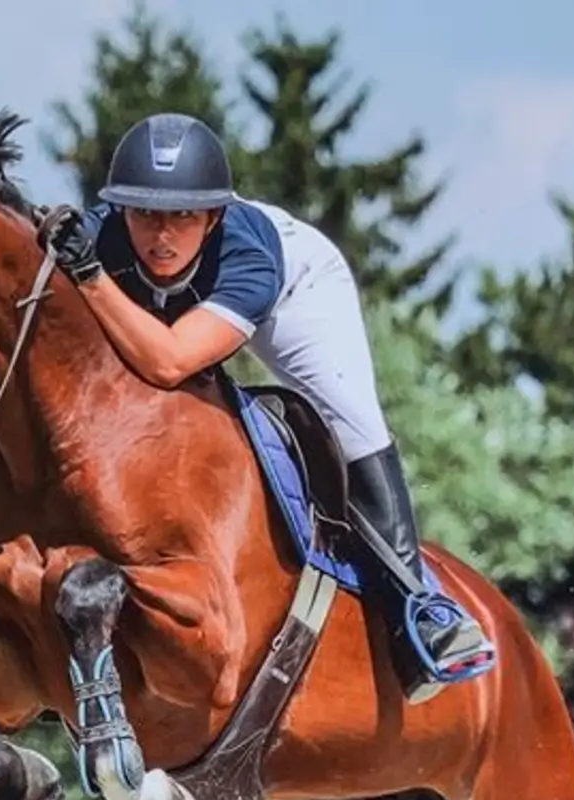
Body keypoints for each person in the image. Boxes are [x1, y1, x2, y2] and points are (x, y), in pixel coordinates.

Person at [41, 111, 493, 700]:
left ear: (214, 216)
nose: (161, 235)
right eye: (145, 213)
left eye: (183, 216)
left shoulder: (247, 256)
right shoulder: (98, 239)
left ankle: (422, 607)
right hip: (163, 307)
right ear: (120, 209)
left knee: (347, 423)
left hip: (295, 295)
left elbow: (173, 361)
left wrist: (93, 278)